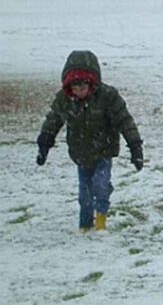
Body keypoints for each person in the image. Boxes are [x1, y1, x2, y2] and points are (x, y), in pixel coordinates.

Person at [35, 50, 145, 232]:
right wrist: (44, 145)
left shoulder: (108, 96)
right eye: (75, 89)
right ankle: (85, 225)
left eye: (83, 88)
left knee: (100, 186)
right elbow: (53, 122)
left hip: (103, 150)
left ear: (91, 83)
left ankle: (101, 220)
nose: (79, 92)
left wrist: (135, 147)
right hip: (80, 153)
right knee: (85, 194)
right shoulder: (65, 100)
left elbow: (125, 121)